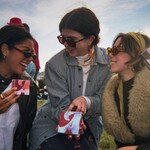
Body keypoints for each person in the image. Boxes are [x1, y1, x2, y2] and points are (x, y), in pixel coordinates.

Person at [29, 7, 111, 150]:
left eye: (71, 40)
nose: (66, 44)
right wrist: (74, 124)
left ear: (90, 39)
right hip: (50, 127)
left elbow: (106, 101)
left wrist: (86, 101)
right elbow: (60, 106)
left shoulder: (109, 62)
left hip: (89, 127)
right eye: (62, 39)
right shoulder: (54, 65)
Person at [102, 32, 150, 150]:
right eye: (110, 50)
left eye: (118, 49)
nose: (110, 55)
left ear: (136, 52)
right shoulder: (112, 91)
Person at [0, 25, 37, 149]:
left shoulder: (28, 85)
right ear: (5, 49)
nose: (30, 59)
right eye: (26, 53)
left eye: (33, 56)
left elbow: (24, 130)